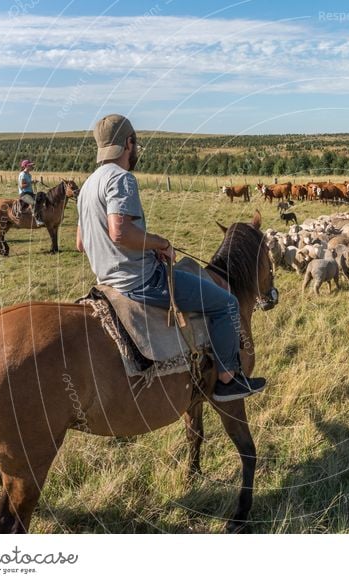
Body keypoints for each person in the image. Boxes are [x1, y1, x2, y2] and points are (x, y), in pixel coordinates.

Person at [76, 114, 266, 402]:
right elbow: (119, 232)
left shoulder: (88, 185)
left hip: (107, 281)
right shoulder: (121, 179)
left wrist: (144, 245)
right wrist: (160, 242)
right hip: (141, 280)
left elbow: (81, 243)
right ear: (129, 143)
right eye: (134, 143)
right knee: (227, 303)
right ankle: (228, 380)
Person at [18, 159, 43, 226]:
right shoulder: (22, 174)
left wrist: (32, 182)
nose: (32, 167)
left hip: (30, 193)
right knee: (33, 203)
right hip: (24, 194)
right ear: (26, 166)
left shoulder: (29, 175)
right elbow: (22, 186)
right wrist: (31, 182)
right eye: (30, 166)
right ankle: (37, 220)